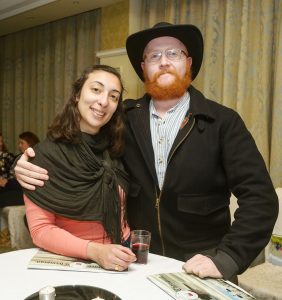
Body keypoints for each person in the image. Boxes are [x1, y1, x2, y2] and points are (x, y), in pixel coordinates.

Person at [14, 23, 278, 281]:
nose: (163, 62)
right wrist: (23, 162)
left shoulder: (222, 122)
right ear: (143, 68)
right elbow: (74, 144)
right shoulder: (123, 120)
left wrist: (227, 257)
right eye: (154, 56)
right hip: (140, 265)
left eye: (173, 53)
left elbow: (260, 199)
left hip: (203, 268)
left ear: (189, 63)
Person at [17, 65, 136, 271]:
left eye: (114, 96)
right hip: (75, 261)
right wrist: (95, 251)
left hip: (123, 253)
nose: (104, 101)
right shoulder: (44, 156)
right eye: (96, 90)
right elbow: (41, 230)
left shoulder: (117, 150)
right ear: (77, 95)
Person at [0, 131, 40, 207]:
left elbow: (27, 181)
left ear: (30, 144)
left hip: (28, 193)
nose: (19, 146)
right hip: (15, 188)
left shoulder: (36, 159)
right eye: (19, 143)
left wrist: (7, 183)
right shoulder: (18, 157)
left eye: (22, 143)